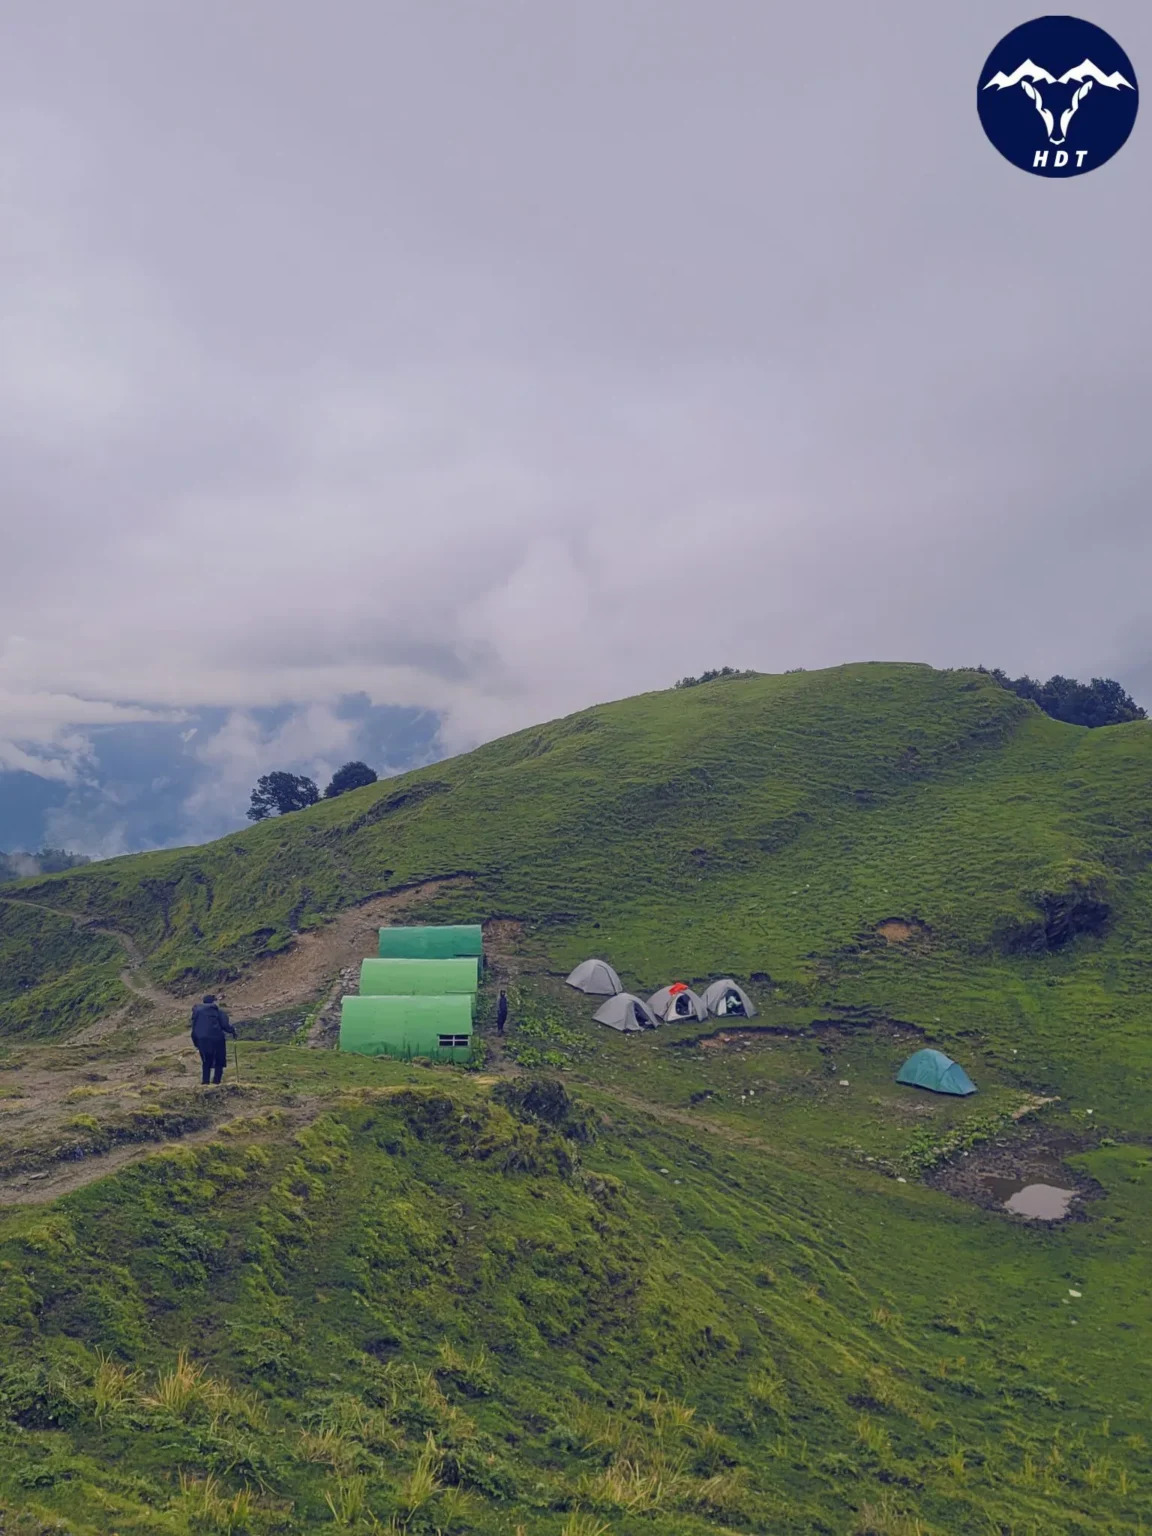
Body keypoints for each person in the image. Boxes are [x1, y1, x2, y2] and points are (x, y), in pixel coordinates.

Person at [191, 993, 236, 1085]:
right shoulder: (218, 1011)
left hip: (202, 1040)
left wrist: (196, 1042)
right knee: (219, 1060)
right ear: (214, 1002)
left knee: (206, 1061)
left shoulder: (197, 1012)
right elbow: (225, 1026)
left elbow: (194, 1027)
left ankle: (205, 1082)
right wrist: (233, 1031)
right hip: (217, 1039)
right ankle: (216, 1082)